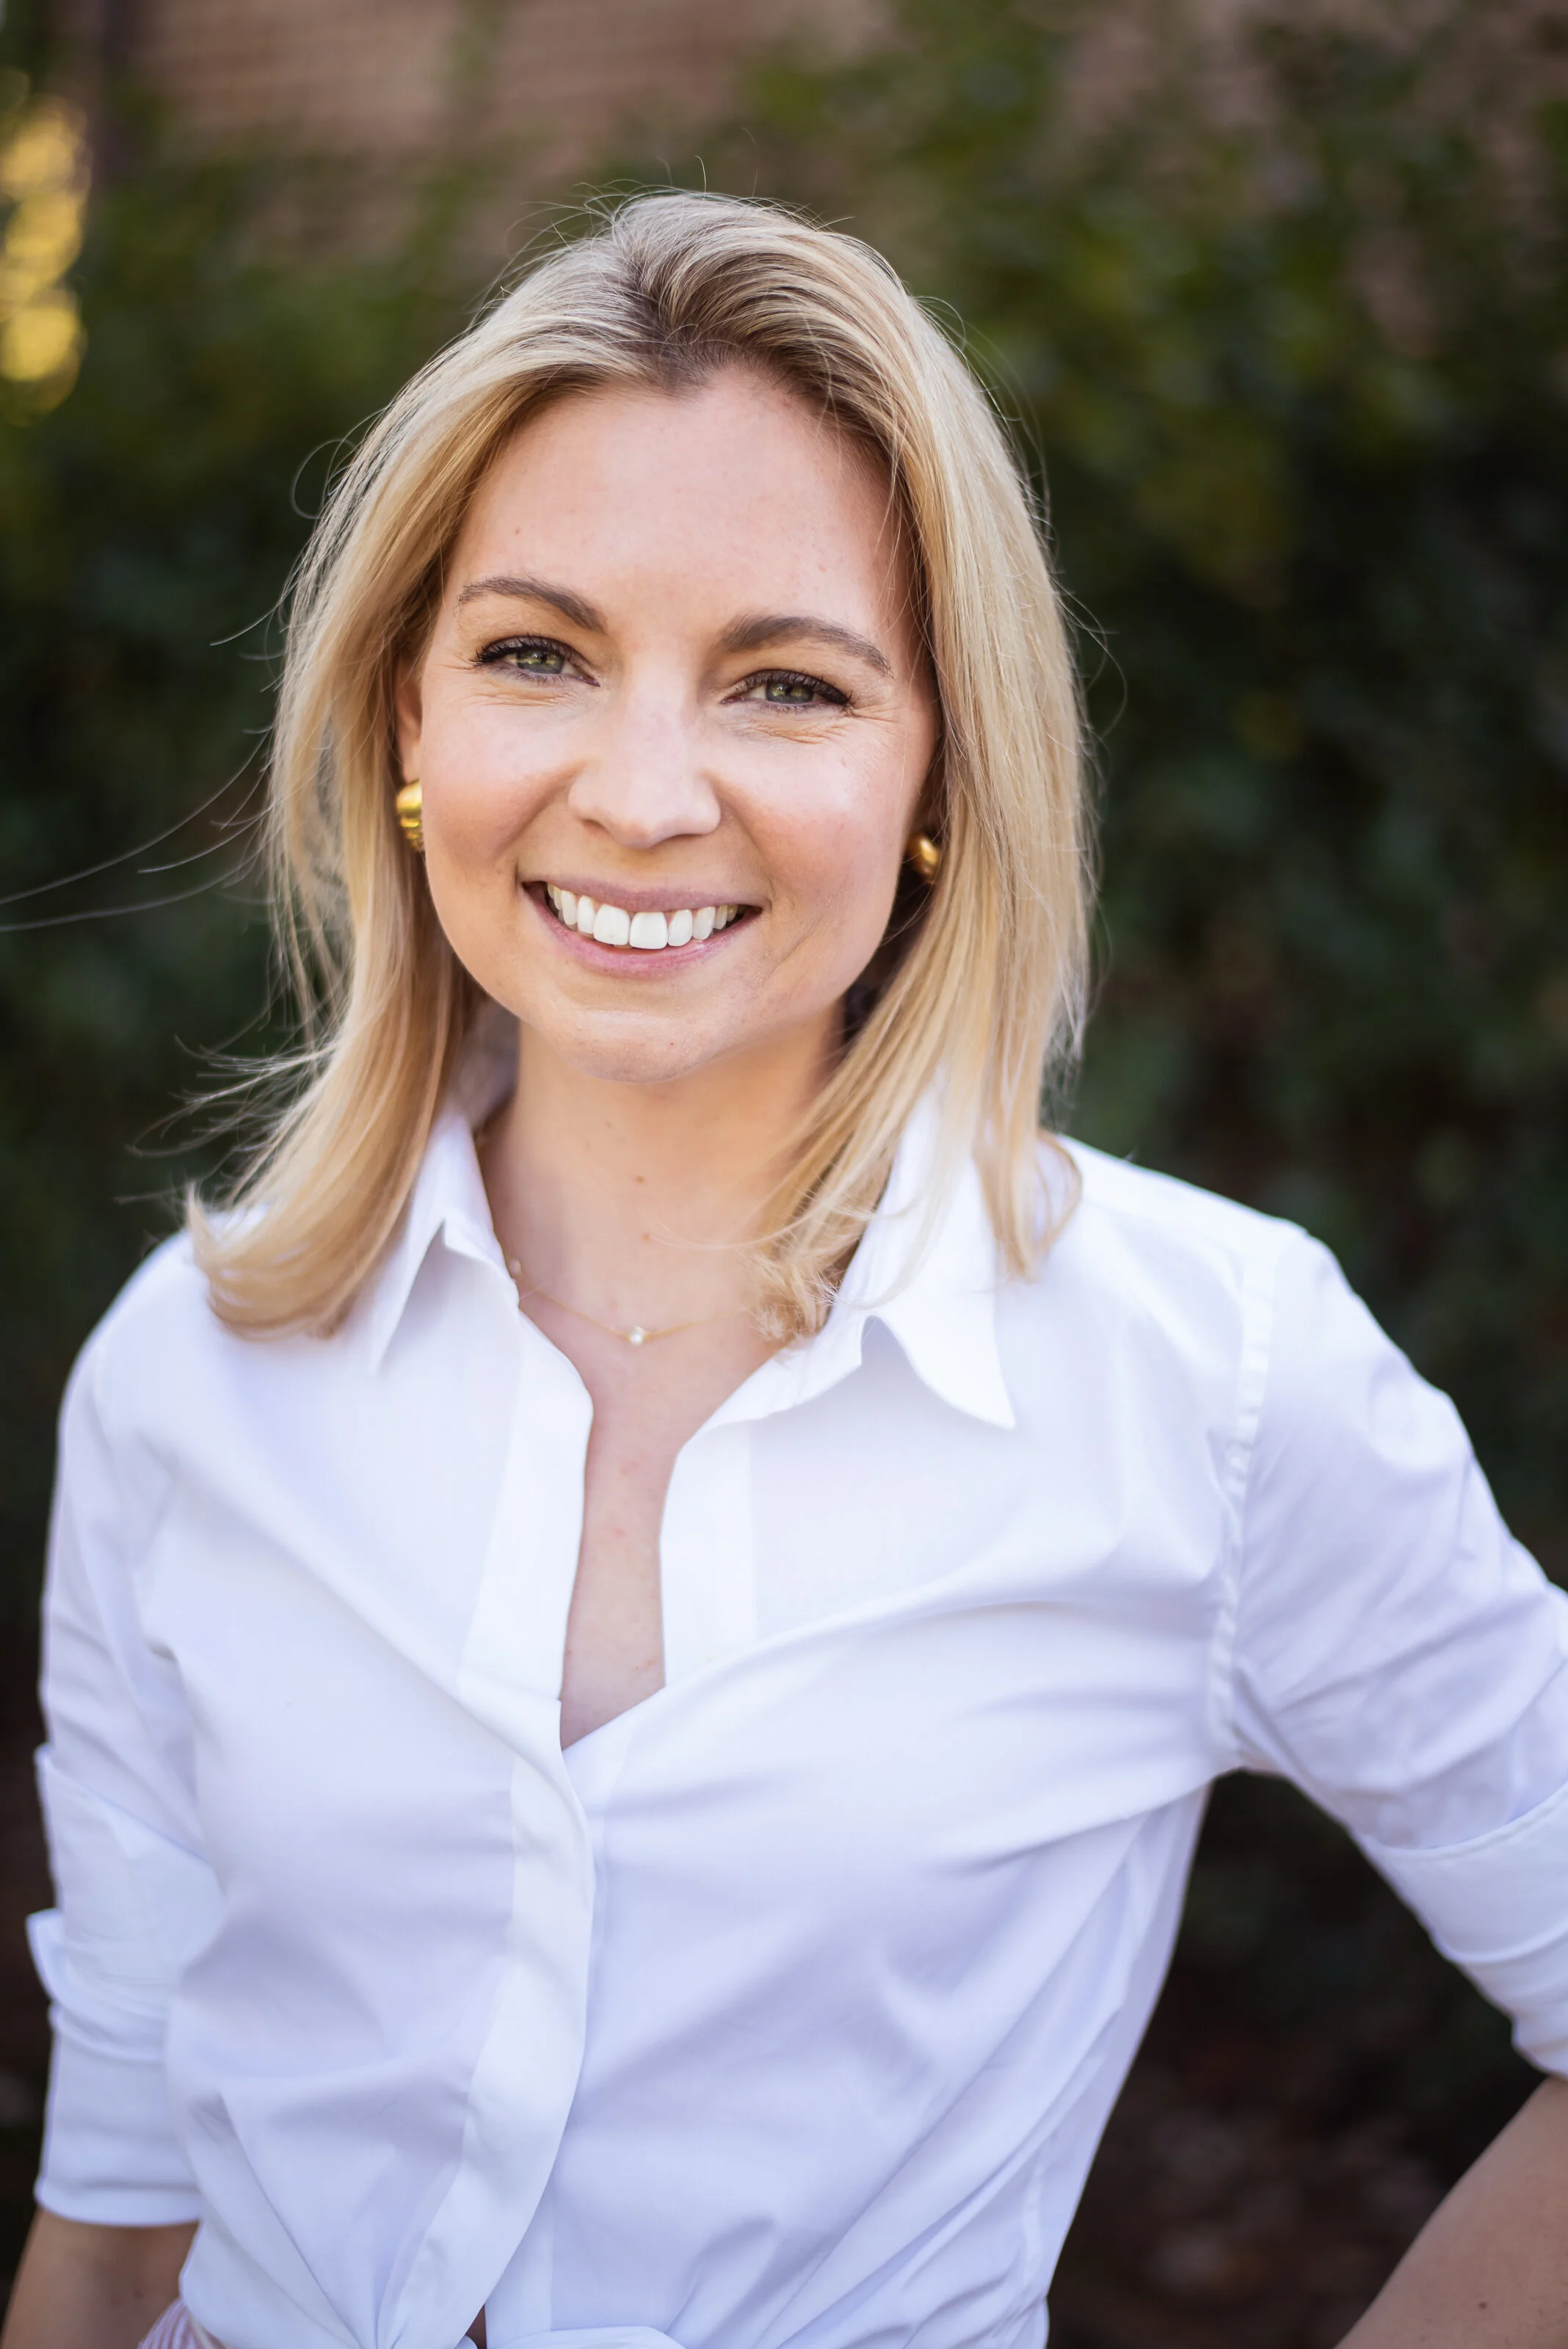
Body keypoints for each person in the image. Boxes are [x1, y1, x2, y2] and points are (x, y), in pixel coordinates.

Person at [3, 191, 1567, 2349]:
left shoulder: (1209, 1375)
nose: (645, 794)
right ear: (407, 717)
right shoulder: (192, 1370)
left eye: (787, 684)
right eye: (538, 652)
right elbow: (123, 2212)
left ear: (939, 773)